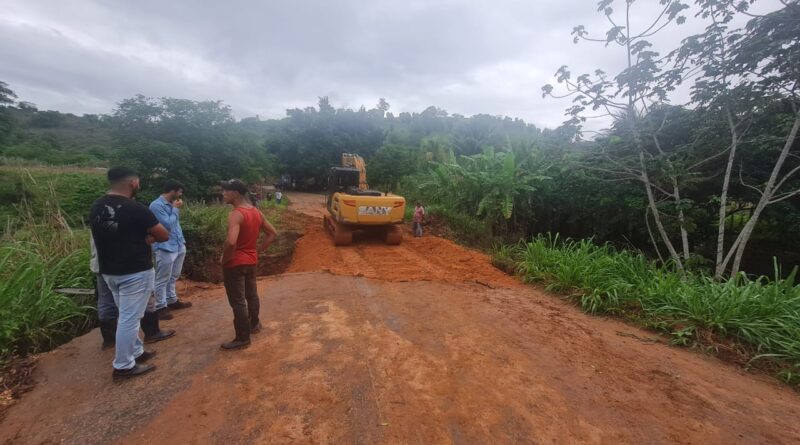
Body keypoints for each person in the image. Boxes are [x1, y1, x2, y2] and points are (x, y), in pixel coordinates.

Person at [90, 167, 172, 380]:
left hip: (109, 272)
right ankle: (124, 366)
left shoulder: (97, 206)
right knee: (130, 318)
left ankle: (137, 352)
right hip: (134, 272)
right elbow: (163, 234)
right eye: (139, 182)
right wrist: (149, 238)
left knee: (126, 313)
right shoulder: (136, 209)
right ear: (133, 183)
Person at [219, 179, 277, 350]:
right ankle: (254, 325)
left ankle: (242, 338)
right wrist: (257, 250)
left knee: (238, 301)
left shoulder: (236, 214)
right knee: (251, 295)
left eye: (225, 191)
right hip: (251, 261)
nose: (223, 194)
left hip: (235, 263)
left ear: (235, 193)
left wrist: (225, 259)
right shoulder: (256, 212)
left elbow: (231, 242)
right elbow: (272, 233)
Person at [149, 180, 192, 321]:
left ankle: (172, 300)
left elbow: (175, 225)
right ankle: (160, 307)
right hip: (165, 246)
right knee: (162, 278)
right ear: (173, 191)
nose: (180, 195)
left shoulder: (172, 205)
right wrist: (175, 209)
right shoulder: (156, 206)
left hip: (178, 244)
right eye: (179, 192)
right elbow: (167, 224)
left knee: (173, 276)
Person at [90, 235, 118, 350]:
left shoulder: (96, 218)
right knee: (130, 307)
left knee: (106, 301)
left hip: (101, 264)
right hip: (120, 266)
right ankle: (151, 331)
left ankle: (109, 340)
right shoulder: (116, 219)